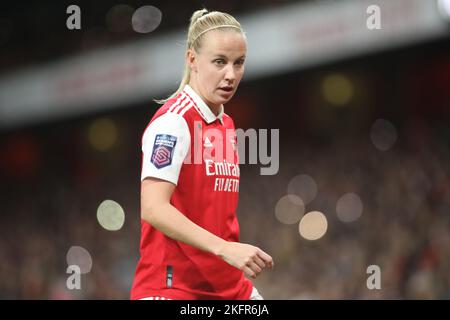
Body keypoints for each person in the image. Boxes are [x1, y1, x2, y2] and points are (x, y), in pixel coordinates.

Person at [131, 8, 274, 300]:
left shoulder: (226, 124)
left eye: (239, 63)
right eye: (219, 62)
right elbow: (153, 208)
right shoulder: (174, 122)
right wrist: (225, 248)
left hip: (229, 288)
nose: (231, 74)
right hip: (173, 289)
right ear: (192, 60)